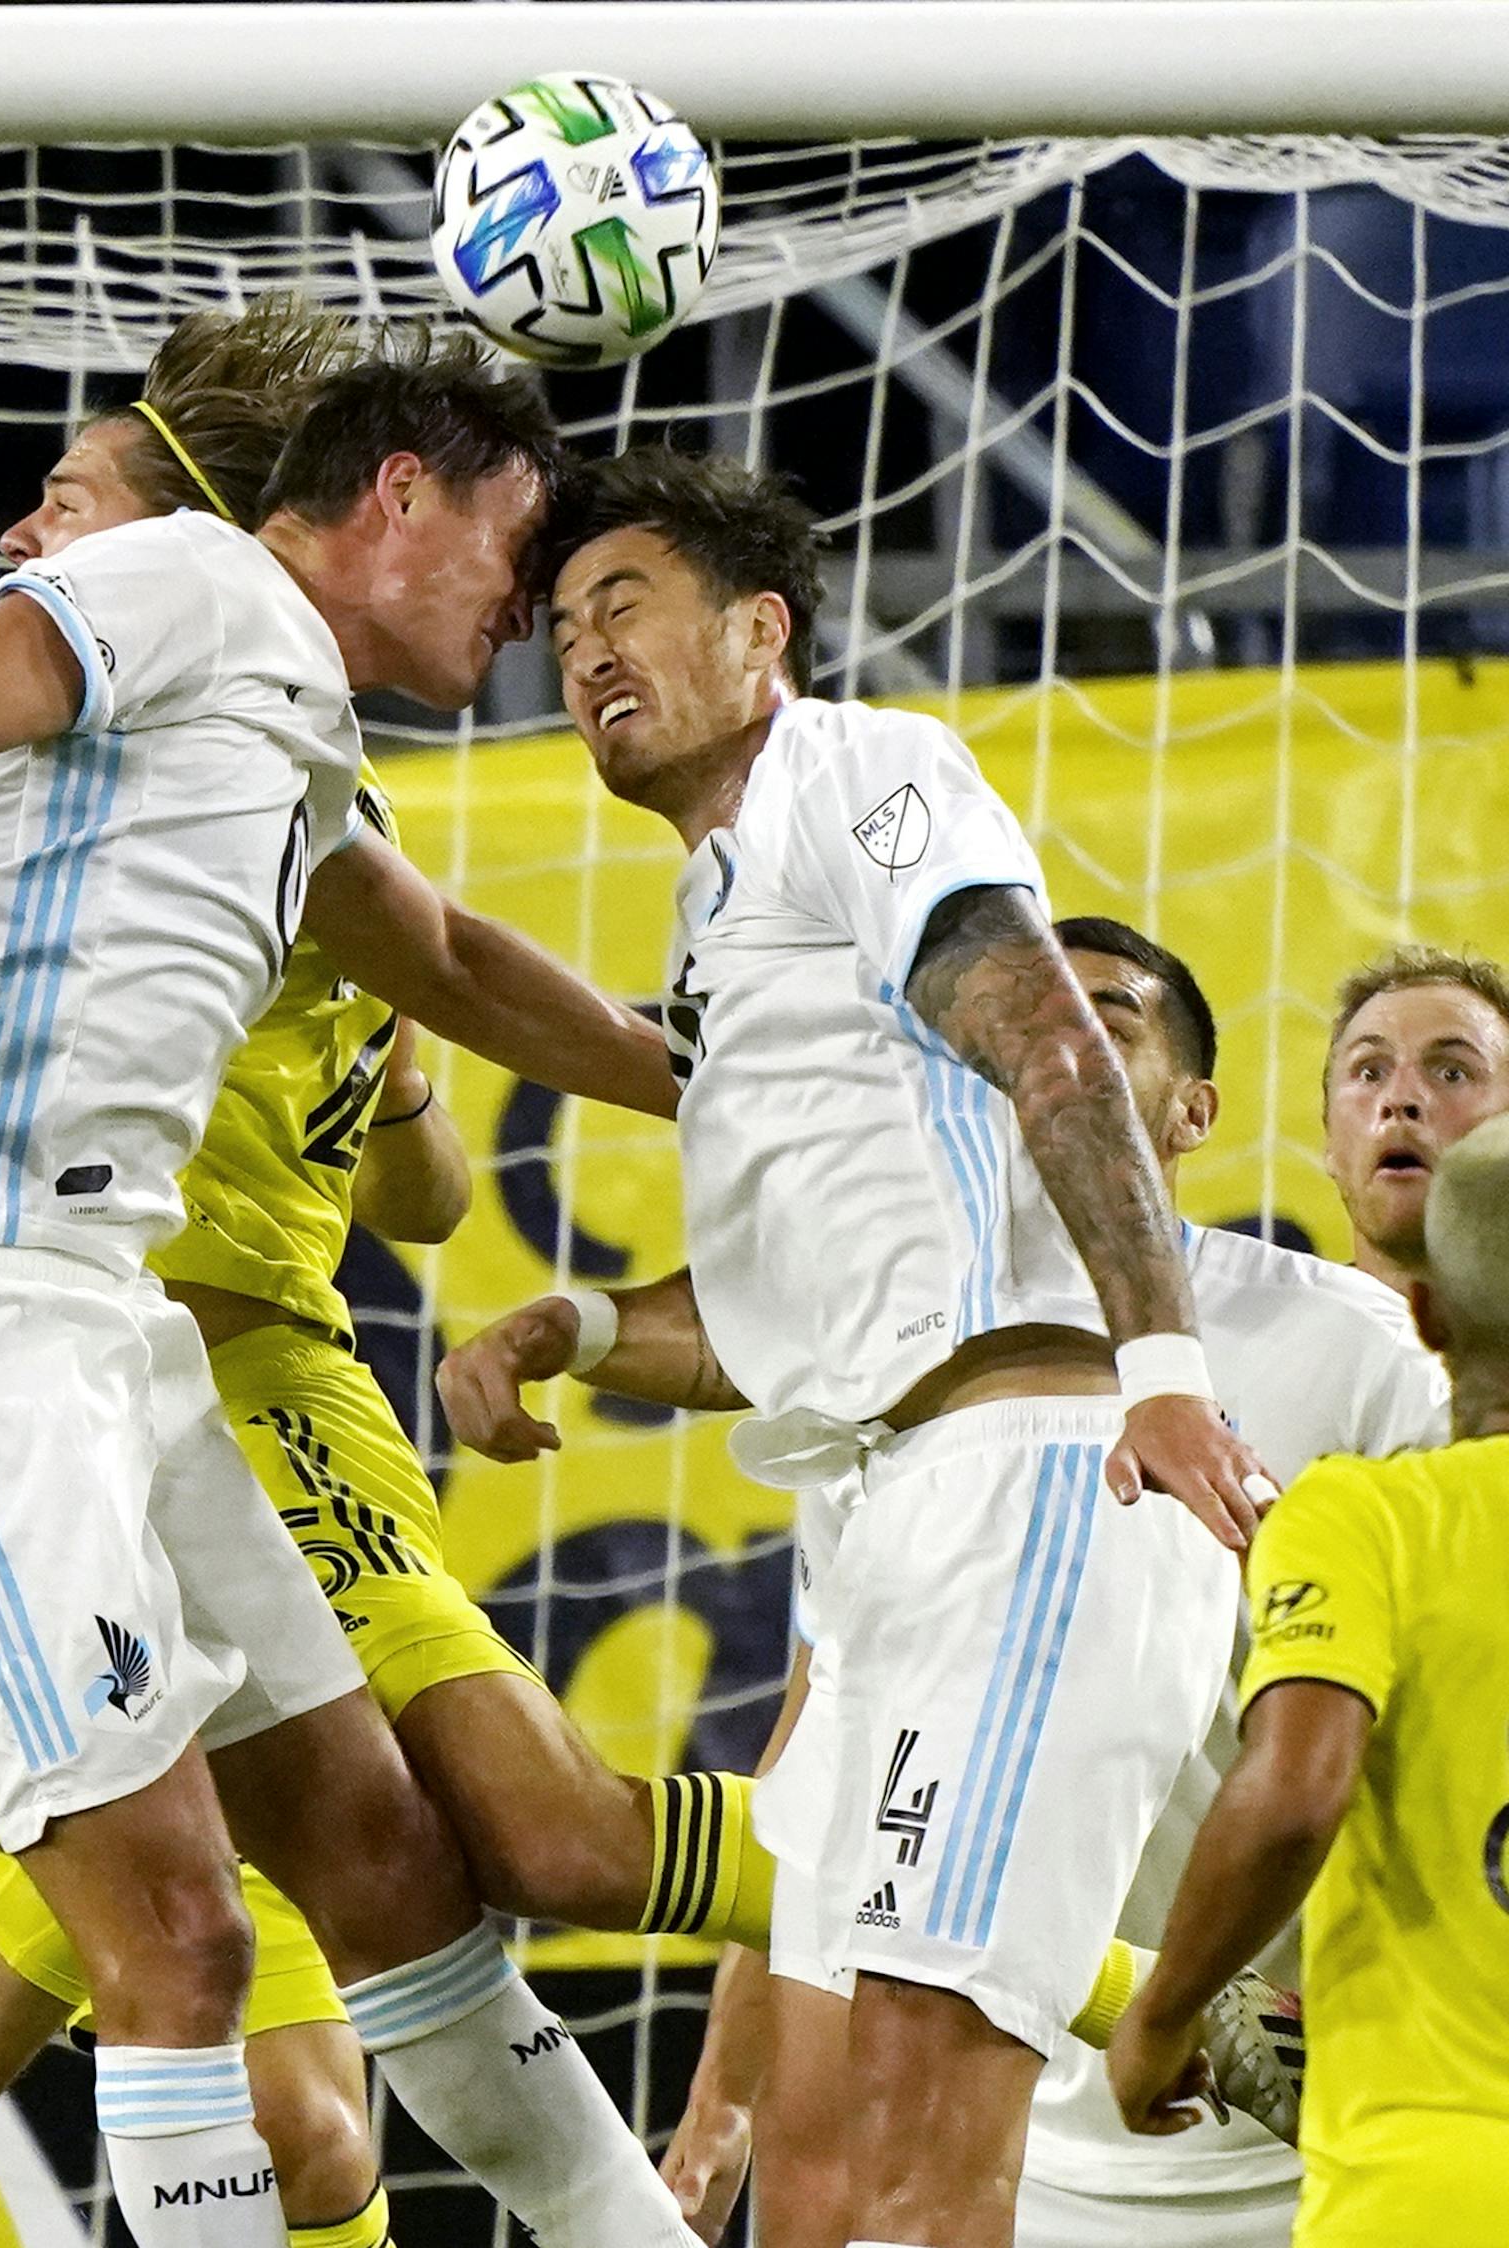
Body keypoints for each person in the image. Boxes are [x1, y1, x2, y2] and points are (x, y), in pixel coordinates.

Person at [0, 338, 707, 2248]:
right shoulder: (181, 578)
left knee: (383, 1864)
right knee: (178, 1937)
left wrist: (733, 1069)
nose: (525, 606)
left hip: (105, 1339)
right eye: (517, 545)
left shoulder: (288, 725)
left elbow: (448, 954)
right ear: (398, 494)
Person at [528, 446, 1272, 2248]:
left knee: (932, 2148)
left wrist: (1165, 1369)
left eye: (624, 603)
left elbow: (1051, 1039)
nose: (583, 654)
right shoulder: (718, 919)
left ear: (760, 626)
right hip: (877, 1522)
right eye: (557, 630)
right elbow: (788, 1332)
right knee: (825, 2165)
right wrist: (566, 1328)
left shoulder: (857, 771)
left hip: (1030, 1491)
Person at [446, 916, 1449, 2248]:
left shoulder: (1347, 1352)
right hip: (1045, 2156)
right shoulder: (904, 1383)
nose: (1052, 1050)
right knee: (567, 1848)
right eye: (1018, 1028)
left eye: (1111, 1021)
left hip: (1301, 2153)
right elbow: (832, 1751)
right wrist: (725, 2101)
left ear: (1196, 1111)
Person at [1107, 1109, 1509, 2247]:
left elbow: (1291, 1792)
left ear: (1425, 1313)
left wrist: (1164, 2013)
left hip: (1430, 2186)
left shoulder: (1365, 1516)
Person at [1320, 944, 1509, 1295]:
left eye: (1452, 1073)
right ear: (1328, 1142)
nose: (1399, 1099)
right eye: (1370, 1072)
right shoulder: (1258, 1341)